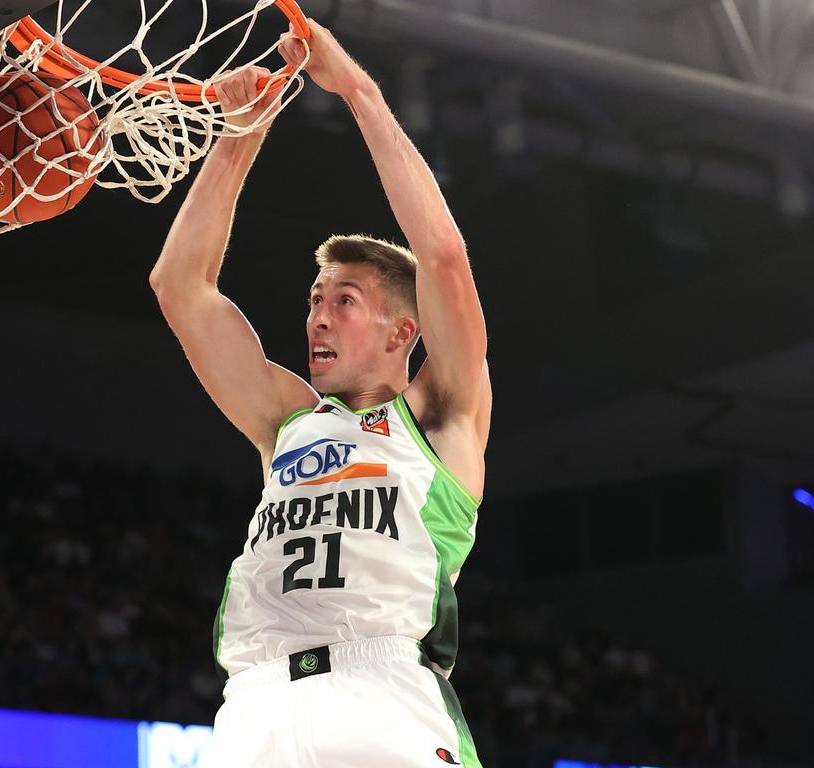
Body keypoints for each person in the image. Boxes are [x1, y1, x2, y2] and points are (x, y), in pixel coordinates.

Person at [149, 18, 491, 768]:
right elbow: (181, 289)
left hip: (384, 693)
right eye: (314, 298)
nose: (317, 316)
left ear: (404, 332)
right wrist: (239, 137)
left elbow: (443, 256)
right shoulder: (288, 420)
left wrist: (359, 91)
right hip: (257, 704)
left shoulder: (439, 413)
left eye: (345, 299)